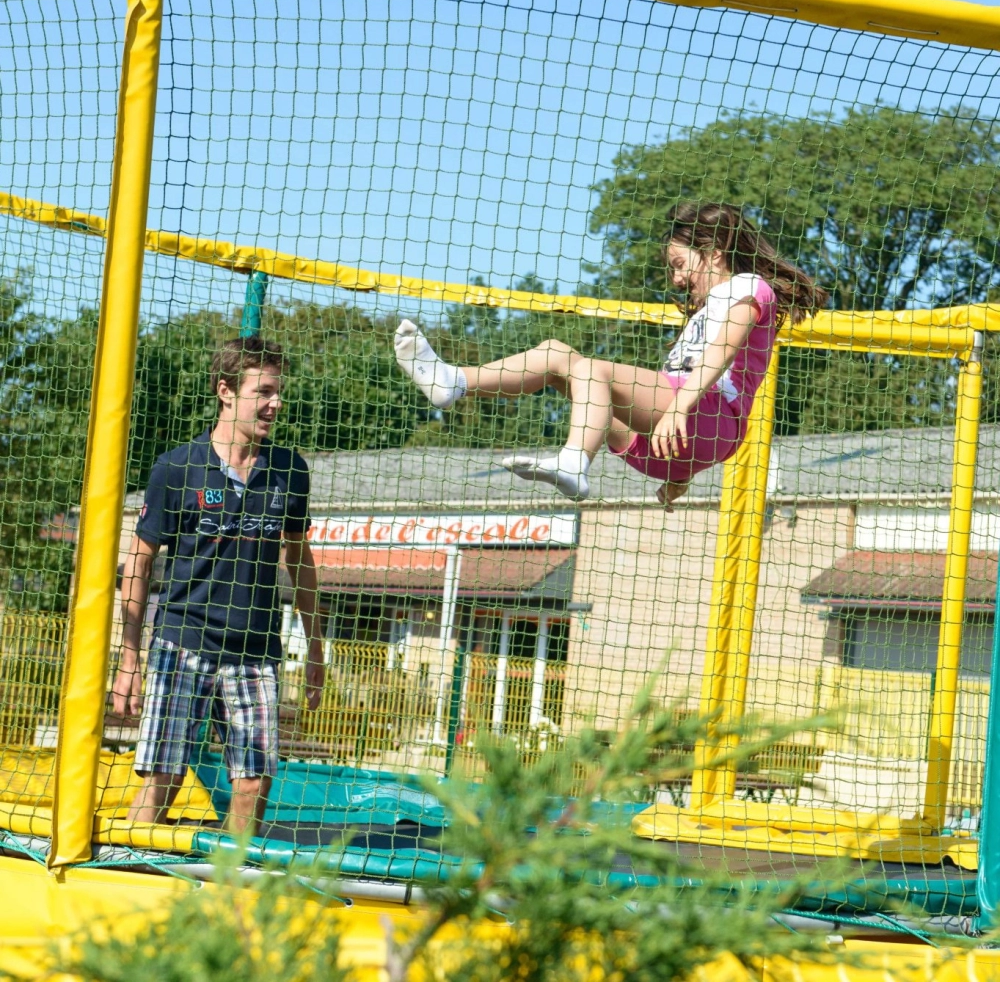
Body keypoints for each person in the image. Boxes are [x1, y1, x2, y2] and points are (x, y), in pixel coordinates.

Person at [394, 203, 827, 507]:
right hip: (668, 449)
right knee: (558, 355)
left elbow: (720, 354)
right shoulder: (708, 307)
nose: (676, 279)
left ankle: (573, 461)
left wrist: (678, 410)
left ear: (714, 253)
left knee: (594, 370)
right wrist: (681, 474)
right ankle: (454, 382)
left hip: (708, 417)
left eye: (679, 264)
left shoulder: (749, 287)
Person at [112, 337, 325, 837]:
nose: (276, 403)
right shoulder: (176, 467)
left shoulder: (289, 470)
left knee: (252, 784)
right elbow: (138, 564)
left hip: (255, 649)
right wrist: (129, 660)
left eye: (279, 392)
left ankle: (230, 893)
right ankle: (130, 877)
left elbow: (300, 561)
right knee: (164, 777)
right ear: (226, 391)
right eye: (265, 391)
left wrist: (316, 647)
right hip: (181, 643)